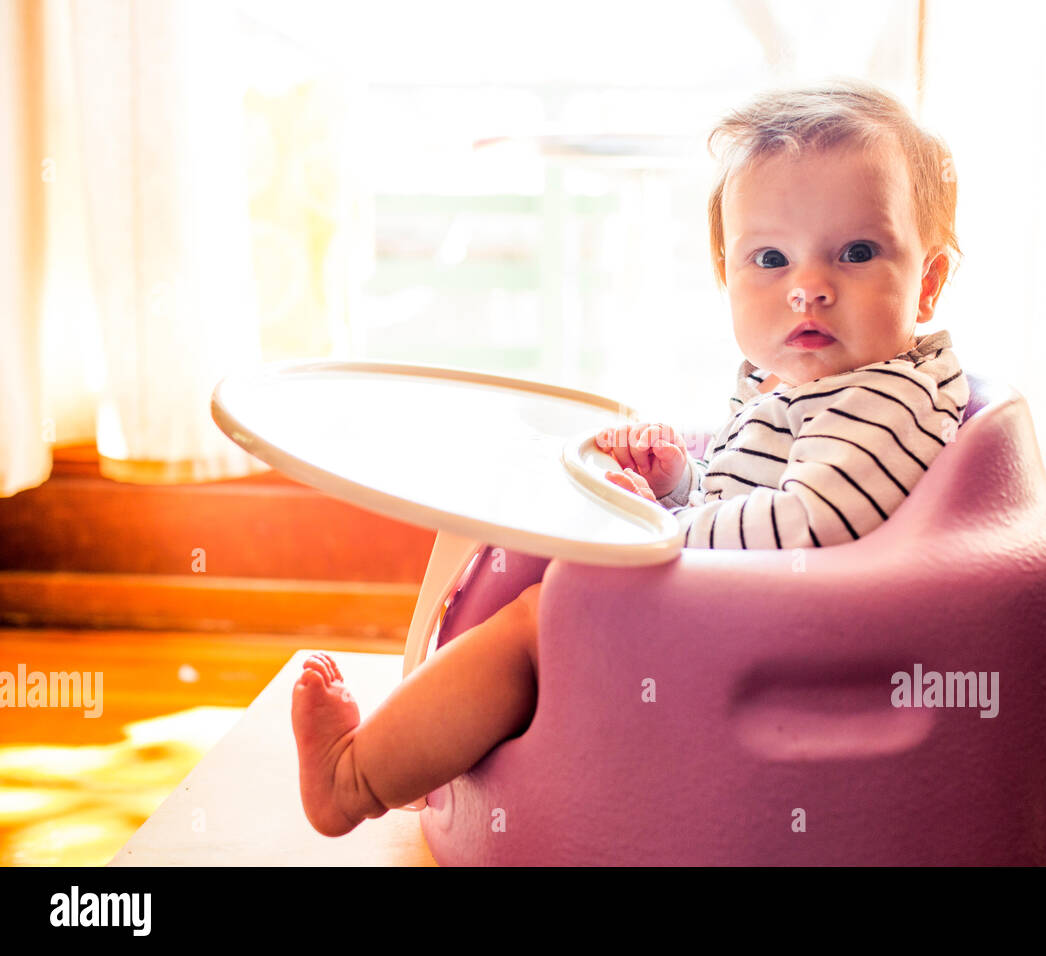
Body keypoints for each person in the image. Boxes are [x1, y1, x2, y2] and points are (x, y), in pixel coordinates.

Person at [292, 78, 969, 836]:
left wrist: (660, 527)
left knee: (542, 622)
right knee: (541, 547)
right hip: (755, 606)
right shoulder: (804, 382)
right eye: (771, 258)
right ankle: (420, 746)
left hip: (793, 645)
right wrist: (680, 482)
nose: (809, 288)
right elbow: (752, 498)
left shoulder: (880, 396)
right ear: (726, 276)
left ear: (928, 282)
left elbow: (811, 525)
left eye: (855, 252)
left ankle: (355, 779)